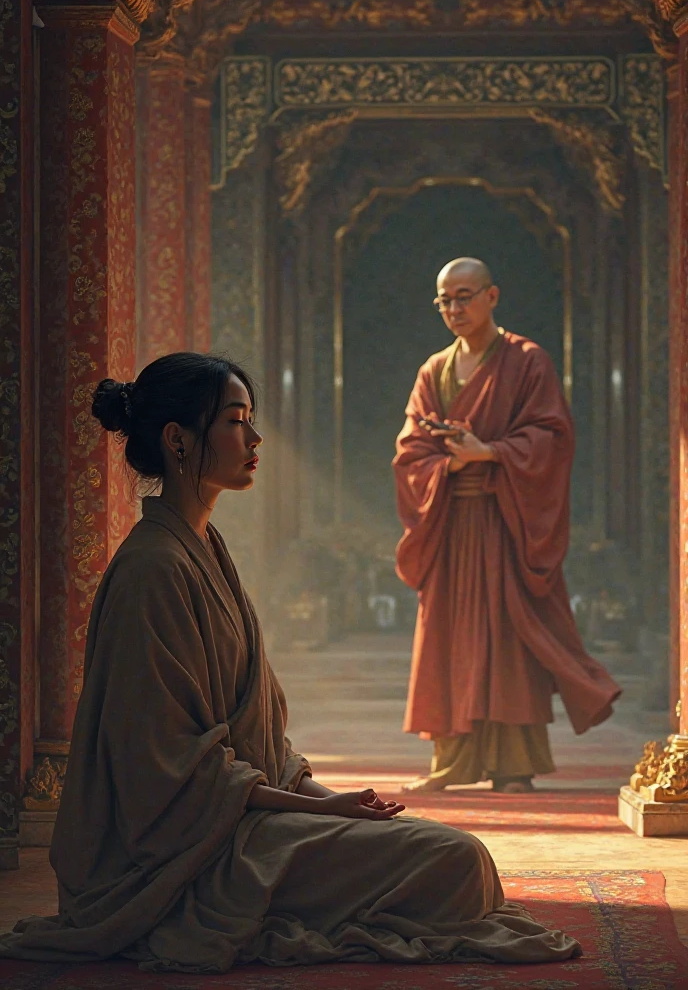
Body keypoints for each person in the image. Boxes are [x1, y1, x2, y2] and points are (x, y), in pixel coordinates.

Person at [0, 351, 581, 972]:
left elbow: (261, 747)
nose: (254, 439)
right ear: (178, 440)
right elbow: (164, 771)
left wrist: (332, 799)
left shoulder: (204, 546)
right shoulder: (153, 569)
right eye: (234, 421)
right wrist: (323, 811)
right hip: (187, 855)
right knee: (455, 860)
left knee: (454, 857)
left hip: (242, 822)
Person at [393, 258, 621, 794]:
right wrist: (451, 461)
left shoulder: (527, 361)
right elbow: (410, 451)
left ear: (492, 296)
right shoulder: (434, 371)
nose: (454, 309)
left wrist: (490, 452)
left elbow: (553, 437)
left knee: (509, 641)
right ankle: (451, 762)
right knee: (449, 640)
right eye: (444, 300)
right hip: (450, 522)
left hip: (507, 520)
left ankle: (514, 766)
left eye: (465, 296)